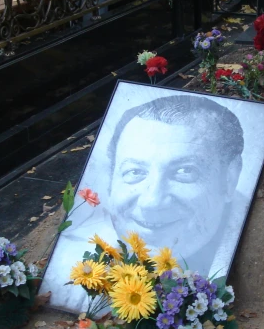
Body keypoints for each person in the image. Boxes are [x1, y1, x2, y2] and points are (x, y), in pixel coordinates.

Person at [41, 93, 249, 314]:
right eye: (134, 172)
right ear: (111, 180)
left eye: (184, 171)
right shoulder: (67, 272)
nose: (152, 202)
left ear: (229, 178)